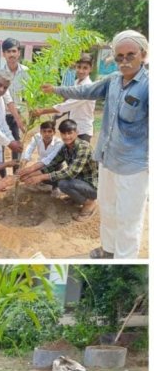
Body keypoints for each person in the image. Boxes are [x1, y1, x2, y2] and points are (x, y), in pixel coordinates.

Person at [41, 30, 148, 259]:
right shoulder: (113, 81)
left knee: (128, 218)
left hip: (133, 166)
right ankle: (108, 250)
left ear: (143, 55)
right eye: (119, 56)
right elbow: (84, 91)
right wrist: (56, 89)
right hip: (108, 160)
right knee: (108, 210)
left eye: (130, 54)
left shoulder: (147, 87)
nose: (124, 61)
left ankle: (123, 259)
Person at [18, 119, 98, 221]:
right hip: (79, 181)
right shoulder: (65, 147)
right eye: (64, 133)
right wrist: (31, 175)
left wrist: (40, 177)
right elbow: (52, 164)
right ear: (60, 134)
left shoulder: (83, 147)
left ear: (76, 133)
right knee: (55, 178)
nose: (66, 136)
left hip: (91, 185)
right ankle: (77, 198)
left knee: (63, 183)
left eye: (70, 133)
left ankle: (89, 203)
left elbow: (70, 172)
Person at [31, 53, 95, 143]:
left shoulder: (88, 87)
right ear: (75, 67)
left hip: (83, 130)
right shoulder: (76, 82)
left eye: (85, 68)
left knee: (80, 156)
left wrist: (42, 111)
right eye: (79, 67)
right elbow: (67, 99)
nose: (81, 71)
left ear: (90, 69)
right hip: (72, 128)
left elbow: (67, 106)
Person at [20, 120, 63, 193]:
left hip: (54, 166)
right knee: (27, 175)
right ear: (40, 132)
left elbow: (49, 159)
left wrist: (31, 170)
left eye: (49, 131)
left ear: (54, 132)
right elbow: (29, 149)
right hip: (40, 165)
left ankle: (55, 187)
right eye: (44, 131)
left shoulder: (59, 143)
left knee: (34, 175)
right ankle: (42, 182)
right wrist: (23, 164)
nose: (47, 134)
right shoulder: (37, 137)